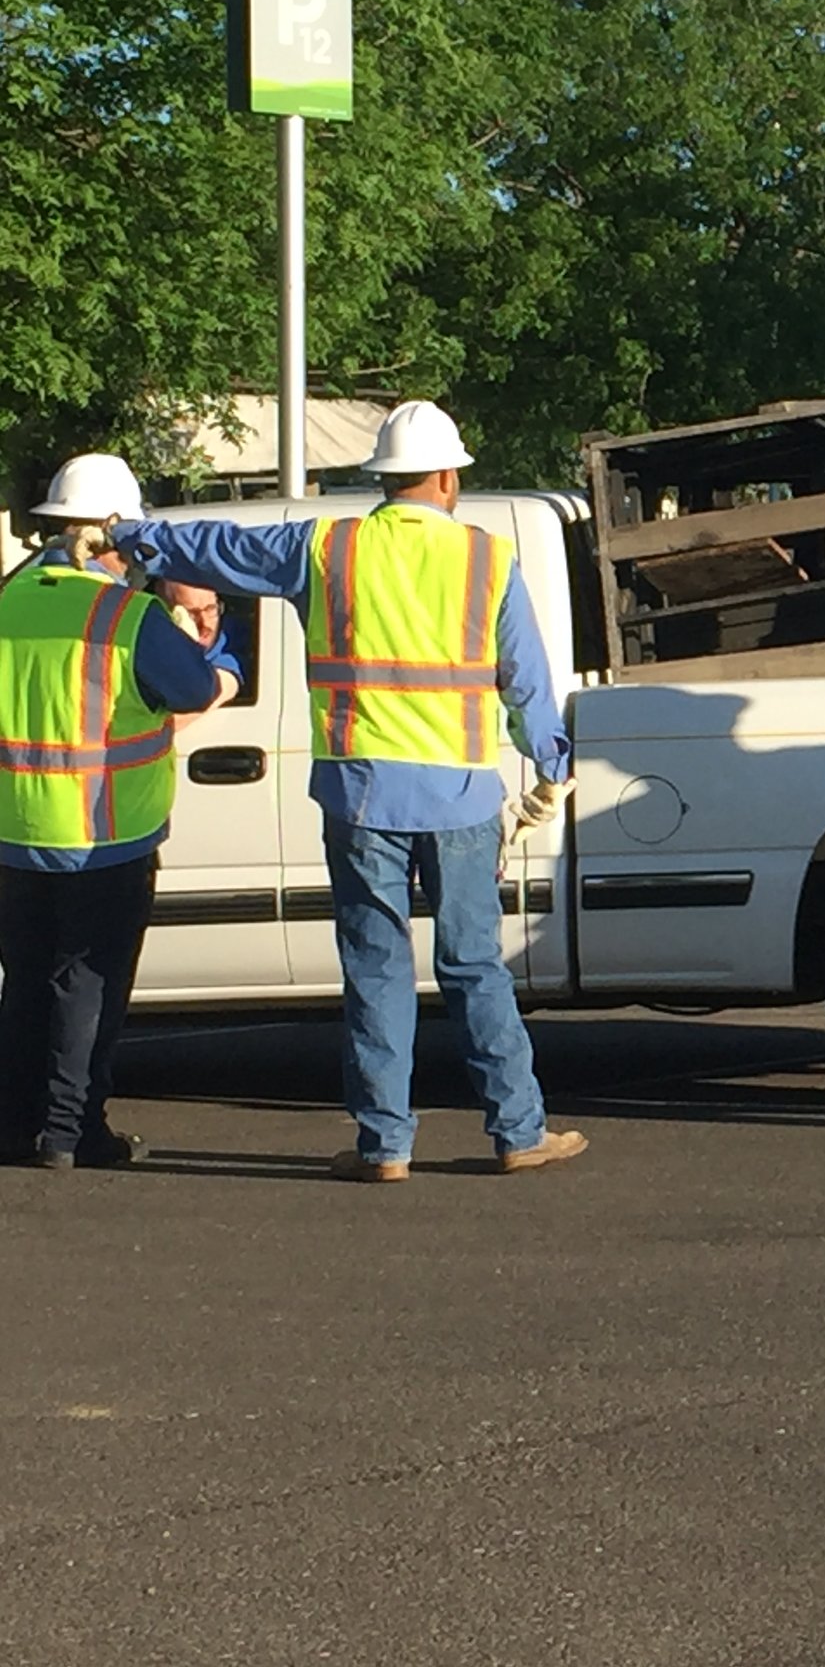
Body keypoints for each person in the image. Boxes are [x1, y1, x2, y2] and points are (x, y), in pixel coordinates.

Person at [102, 401, 587, 1182]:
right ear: (446, 476)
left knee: (375, 967)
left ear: (383, 480)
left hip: (360, 793)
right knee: (474, 967)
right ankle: (518, 1129)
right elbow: (525, 679)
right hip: (459, 795)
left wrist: (137, 534)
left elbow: (225, 549)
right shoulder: (487, 560)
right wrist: (552, 759)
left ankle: (385, 1144)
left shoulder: (327, 545)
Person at [0, 455, 224, 1169]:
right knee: (86, 992)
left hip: (11, 835)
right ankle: (71, 1131)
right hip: (106, 835)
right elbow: (191, 689)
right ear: (107, 533)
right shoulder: (128, 614)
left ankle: (13, 1124)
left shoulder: (6, 600)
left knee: (27, 985)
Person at [157, 581, 243, 726]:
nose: (205, 624)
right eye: (191, 614)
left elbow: (220, 689)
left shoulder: (233, 642)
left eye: (211, 609)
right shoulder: (147, 641)